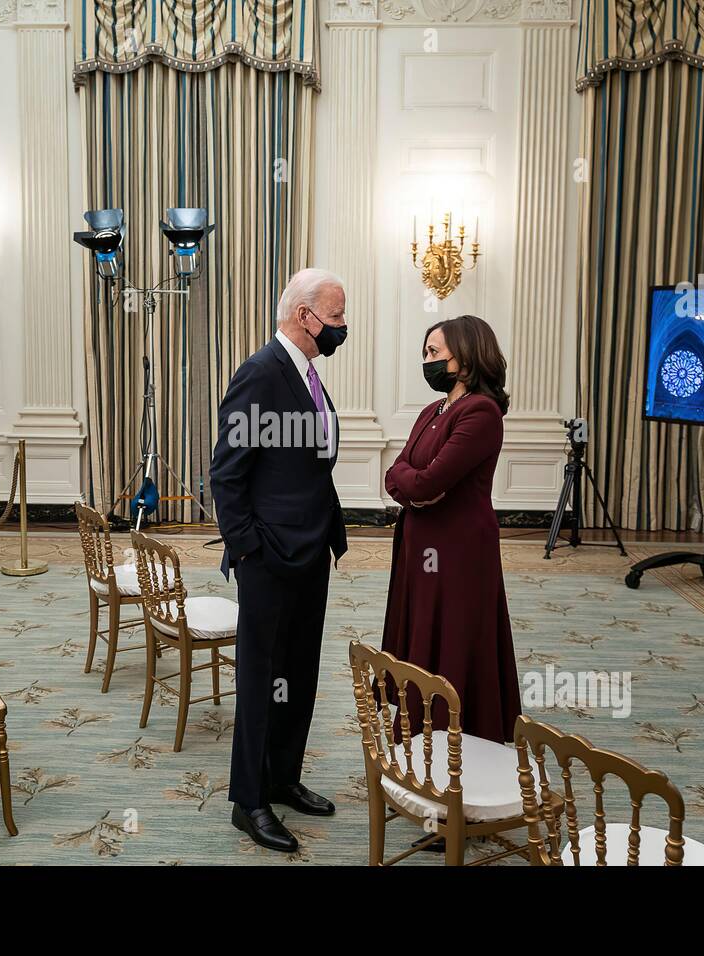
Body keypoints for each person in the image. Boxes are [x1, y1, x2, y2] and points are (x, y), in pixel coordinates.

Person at [209, 268, 349, 853]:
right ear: (304, 316)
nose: (343, 326)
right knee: (262, 678)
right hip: (268, 556)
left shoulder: (308, 374)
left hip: (312, 549)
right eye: (336, 316)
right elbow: (226, 473)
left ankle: (284, 776)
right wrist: (246, 549)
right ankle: (250, 800)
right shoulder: (260, 373)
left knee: (299, 672)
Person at [382, 314, 520, 745]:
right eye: (426, 353)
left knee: (455, 638)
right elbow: (397, 475)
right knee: (422, 633)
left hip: (459, 549)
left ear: (464, 356)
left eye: (434, 353)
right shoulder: (431, 410)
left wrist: (415, 484)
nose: (427, 361)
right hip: (419, 544)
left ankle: (458, 742)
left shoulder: (481, 411)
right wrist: (414, 485)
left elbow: (428, 481)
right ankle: (417, 730)